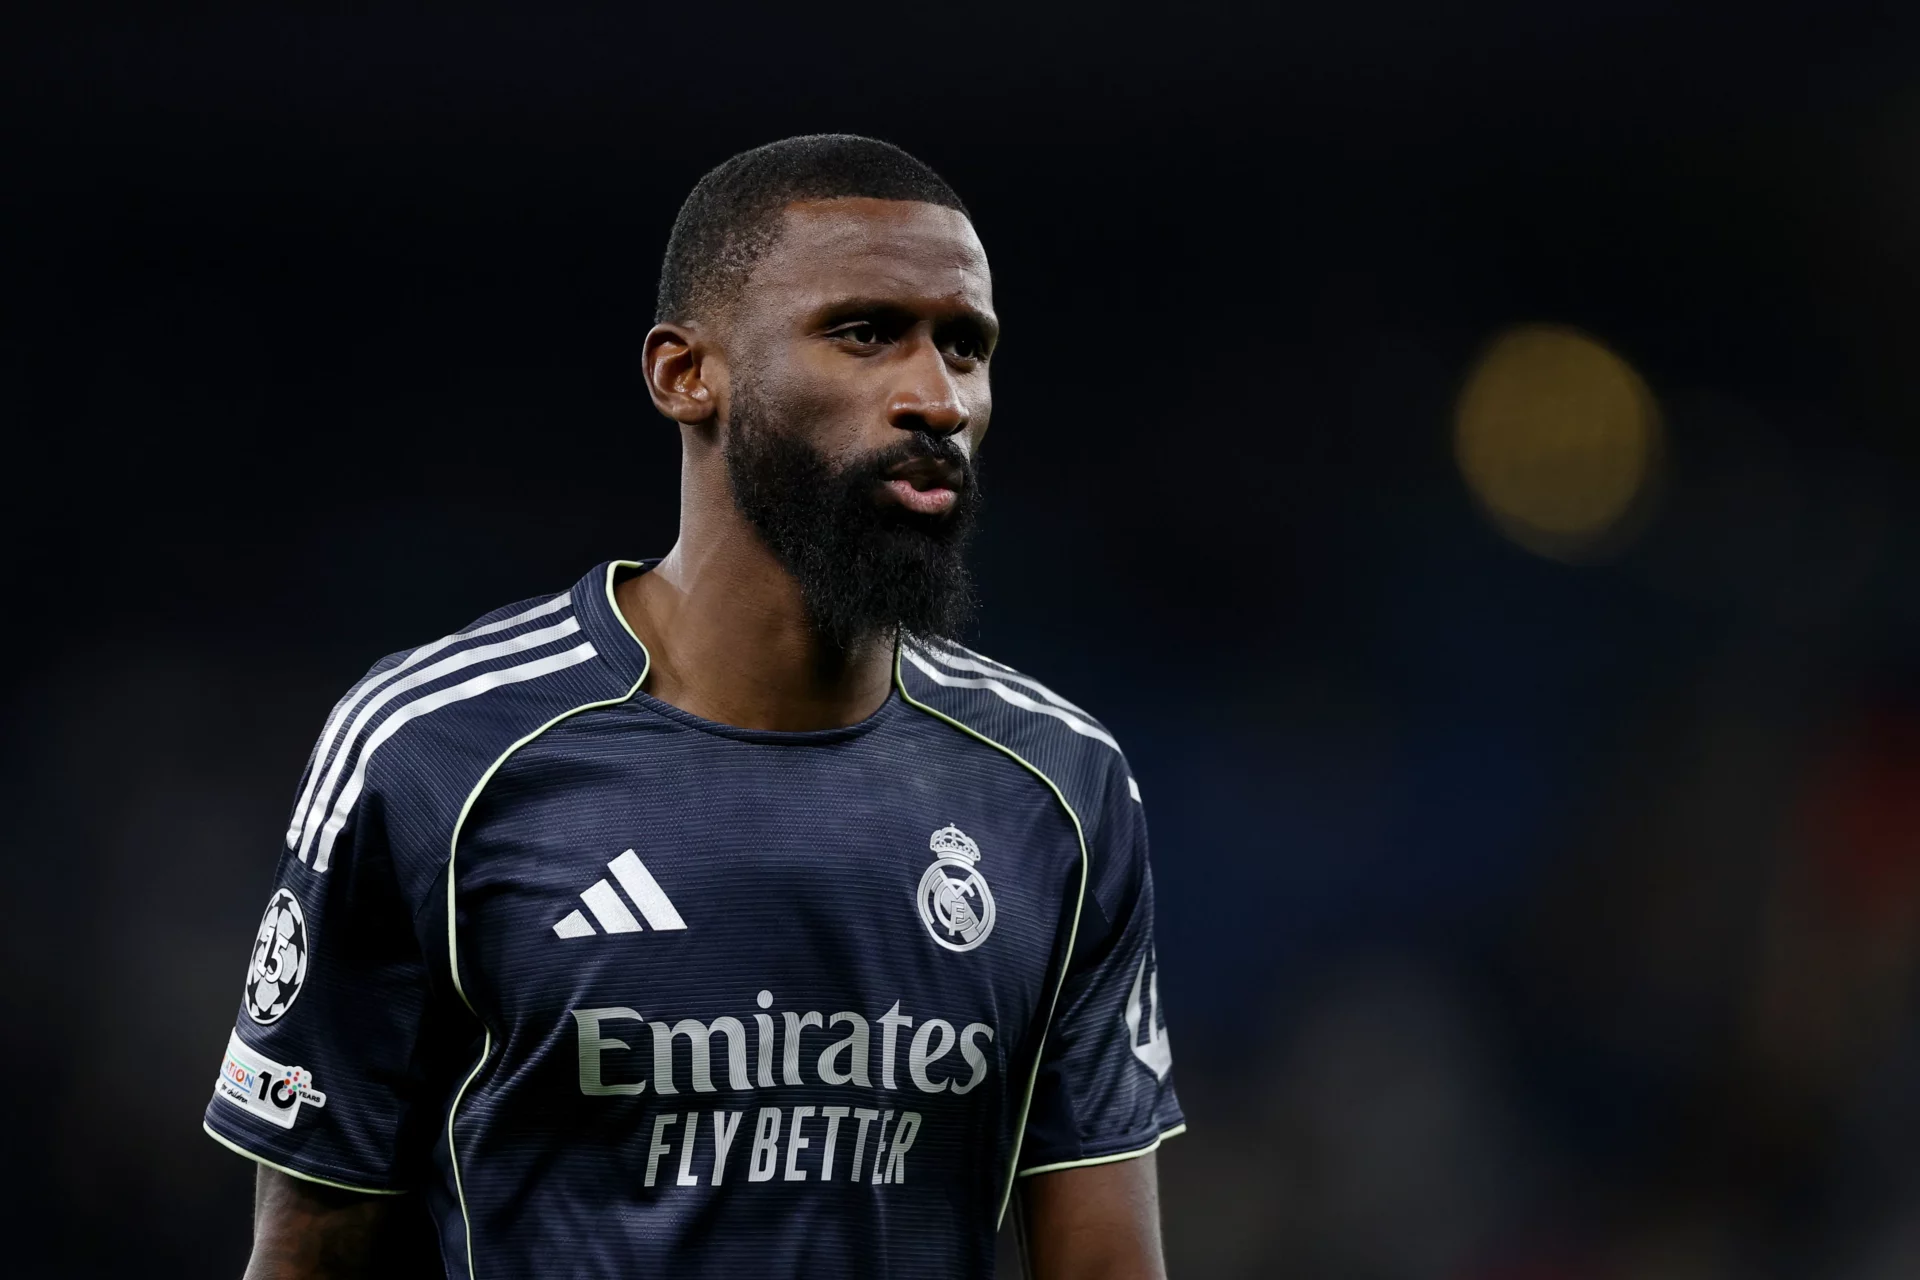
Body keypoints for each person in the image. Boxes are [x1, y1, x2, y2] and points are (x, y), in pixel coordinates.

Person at [205, 134, 1183, 1279]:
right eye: (866, 332)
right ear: (686, 374)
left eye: (965, 346)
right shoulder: (431, 747)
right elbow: (310, 1247)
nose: (937, 397)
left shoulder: (1059, 782)